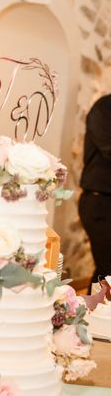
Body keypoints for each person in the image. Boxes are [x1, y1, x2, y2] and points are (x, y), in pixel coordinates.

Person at [79, 94, 111, 288]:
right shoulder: (104, 108)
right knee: (108, 271)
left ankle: (91, 313)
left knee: (104, 272)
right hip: (100, 203)